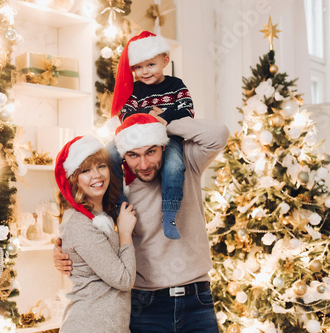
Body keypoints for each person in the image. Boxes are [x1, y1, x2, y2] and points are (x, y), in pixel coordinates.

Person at [55, 114, 229, 332]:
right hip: (145, 305)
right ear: (122, 155)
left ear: (163, 146)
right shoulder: (115, 188)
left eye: (151, 151)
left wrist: (166, 122)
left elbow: (218, 134)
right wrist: (62, 250)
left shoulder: (188, 163)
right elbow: (88, 226)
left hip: (197, 300)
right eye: (133, 155)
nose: (144, 164)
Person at [108, 30, 195, 240]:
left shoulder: (176, 85)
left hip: (166, 137)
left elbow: (187, 111)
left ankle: (170, 213)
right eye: (138, 67)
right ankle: (119, 201)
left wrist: (165, 116)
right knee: (108, 153)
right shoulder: (136, 89)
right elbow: (126, 112)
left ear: (165, 61)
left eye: (151, 65)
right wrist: (148, 115)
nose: (145, 72)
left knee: (174, 164)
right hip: (137, 135)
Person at [54, 134, 137, 333]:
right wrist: (125, 233)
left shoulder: (101, 216)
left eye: (101, 166)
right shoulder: (80, 222)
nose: (97, 175)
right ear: (74, 179)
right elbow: (124, 280)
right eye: (85, 171)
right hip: (89, 326)